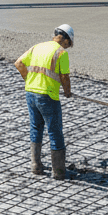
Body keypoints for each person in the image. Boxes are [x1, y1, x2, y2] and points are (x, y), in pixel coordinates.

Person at [15, 24, 73, 180]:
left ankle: (35, 166)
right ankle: (59, 172)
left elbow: (19, 63)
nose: (68, 47)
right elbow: (64, 77)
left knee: (36, 127)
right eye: (69, 44)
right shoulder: (61, 53)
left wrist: (30, 80)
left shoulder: (37, 47)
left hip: (30, 93)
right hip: (47, 97)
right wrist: (67, 92)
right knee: (55, 132)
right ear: (65, 39)